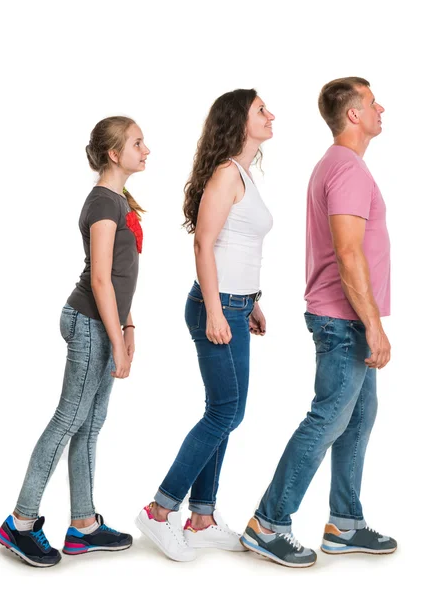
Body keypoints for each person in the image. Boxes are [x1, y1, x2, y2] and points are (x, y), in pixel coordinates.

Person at [241, 77, 397, 568]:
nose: (381, 108)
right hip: (343, 319)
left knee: (357, 417)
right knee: (328, 418)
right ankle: (269, 523)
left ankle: (344, 523)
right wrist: (372, 324)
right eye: (373, 103)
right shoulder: (347, 169)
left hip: (344, 317)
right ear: (353, 114)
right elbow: (349, 254)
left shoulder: (342, 166)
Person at [0, 116, 150, 567]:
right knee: (68, 419)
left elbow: (120, 279)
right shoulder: (103, 203)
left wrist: (129, 325)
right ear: (115, 154)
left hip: (105, 321)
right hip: (88, 322)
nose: (147, 149)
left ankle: (83, 525)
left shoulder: (118, 200)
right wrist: (117, 339)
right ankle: (19, 523)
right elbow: (99, 278)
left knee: (90, 423)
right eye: (138, 143)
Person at [136, 89, 274, 562]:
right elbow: (205, 245)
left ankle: (202, 518)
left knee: (227, 412)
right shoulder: (224, 174)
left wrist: (249, 302)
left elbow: (239, 249)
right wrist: (216, 310)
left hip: (235, 306)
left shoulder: (243, 175)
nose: (270, 115)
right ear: (239, 121)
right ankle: (160, 510)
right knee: (223, 412)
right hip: (215, 308)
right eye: (261, 110)